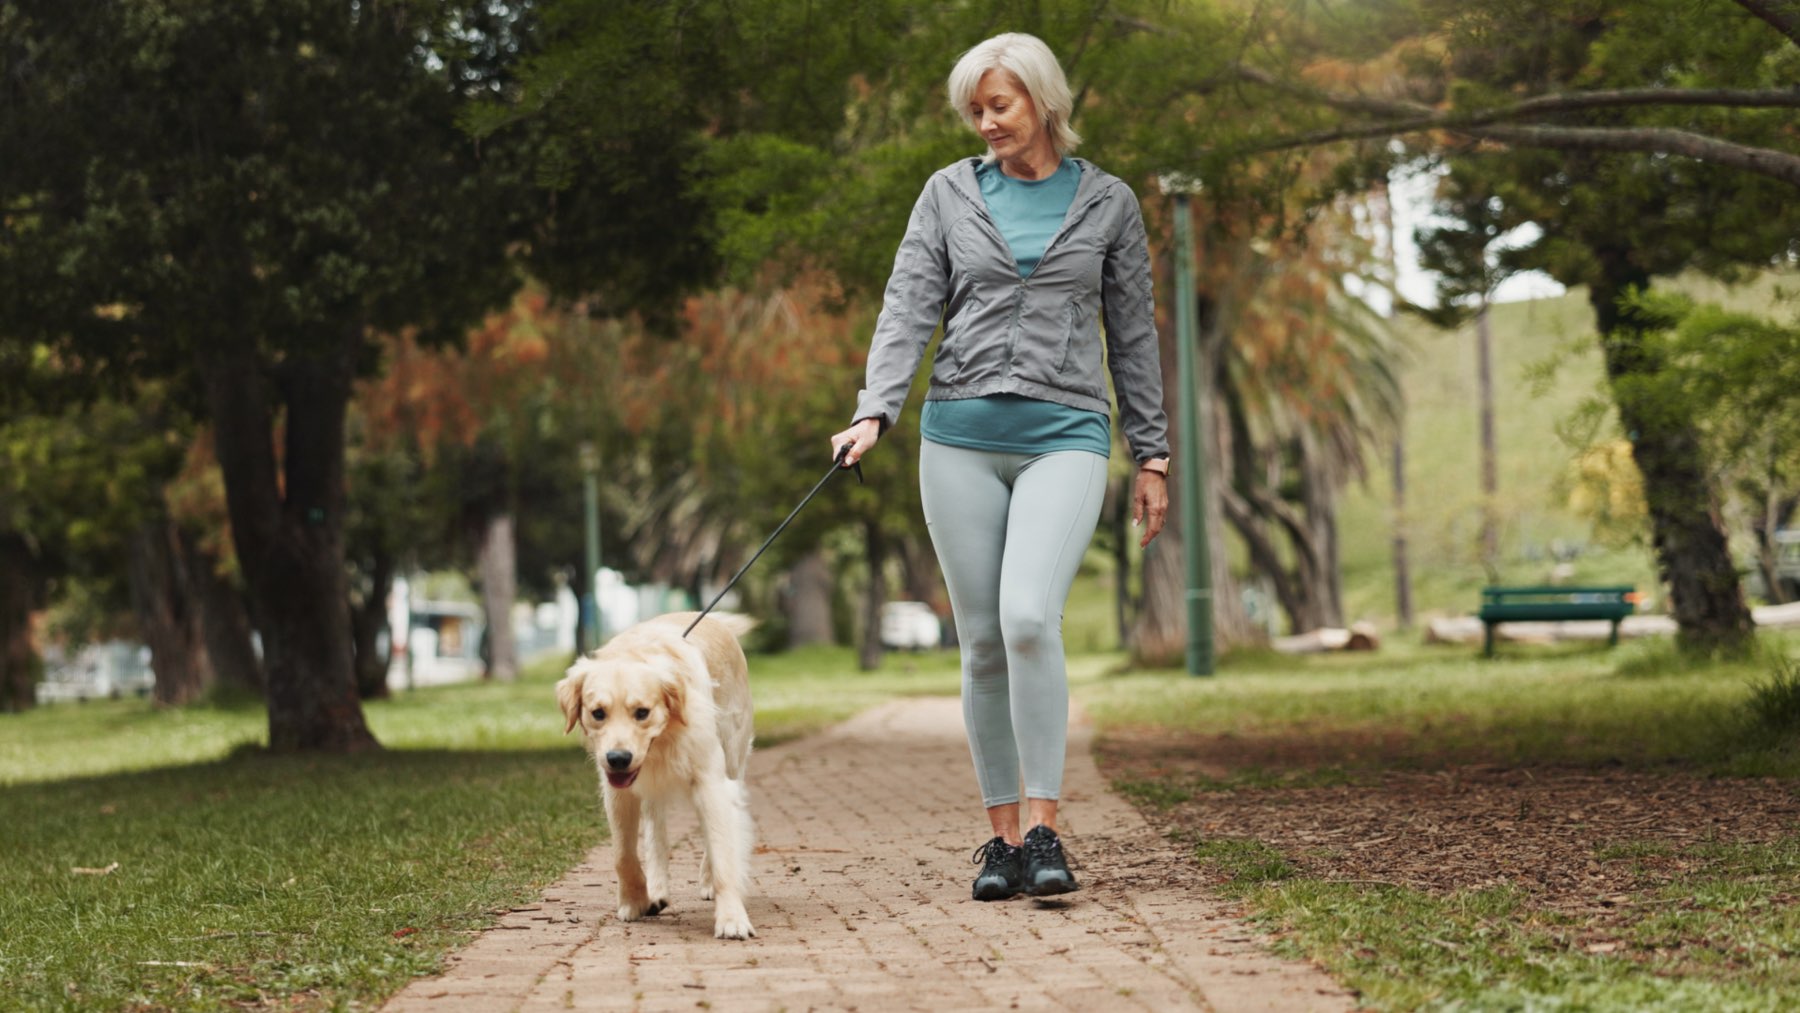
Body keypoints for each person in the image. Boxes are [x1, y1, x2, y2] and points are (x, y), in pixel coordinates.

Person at [830, 32, 1170, 902]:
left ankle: (1049, 825)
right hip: (958, 437)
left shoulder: (1109, 203)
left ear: (1042, 101)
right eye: (974, 111)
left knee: (1027, 617)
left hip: (1067, 432)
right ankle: (1003, 841)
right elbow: (908, 303)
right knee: (981, 639)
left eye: (999, 106)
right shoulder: (947, 195)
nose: (984, 123)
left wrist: (1152, 451)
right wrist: (876, 409)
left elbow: (1132, 330)